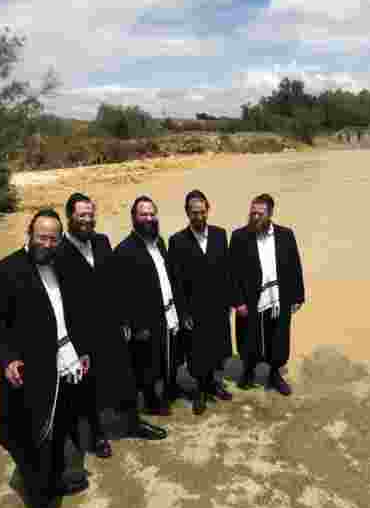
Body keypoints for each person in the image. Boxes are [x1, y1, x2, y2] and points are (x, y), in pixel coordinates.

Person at [0, 208, 91, 508]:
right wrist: (6, 358)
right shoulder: (4, 270)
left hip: (67, 365)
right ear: (29, 233)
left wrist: (82, 350)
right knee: (33, 442)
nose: (47, 243)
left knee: (60, 434)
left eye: (53, 237)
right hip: (30, 374)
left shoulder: (63, 265)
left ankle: (55, 483)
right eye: (41, 236)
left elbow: (76, 312)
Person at [55, 193, 167, 457]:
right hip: (82, 333)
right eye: (82, 215)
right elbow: (58, 301)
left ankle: (133, 423)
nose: (87, 220)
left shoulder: (102, 242)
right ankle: (96, 436)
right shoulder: (59, 252)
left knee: (124, 379)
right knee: (90, 387)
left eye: (91, 215)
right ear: (70, 217)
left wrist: (126, 319)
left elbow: (118, 284)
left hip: (112, 328)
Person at [107, 195, 189, 416]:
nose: (149, 218)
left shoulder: (159, 242)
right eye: (143, 214)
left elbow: (169, 277)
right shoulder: (124, 250)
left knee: (169, 355)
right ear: (134, 217)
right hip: (145, 322)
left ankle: (171, 390)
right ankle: (152, 401)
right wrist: (135, 326)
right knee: (147, 365)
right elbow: (121, 294)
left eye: (152, 214)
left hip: (168, 313)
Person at [228, 194, 305, 396]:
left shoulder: (286, 235)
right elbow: (232, 272)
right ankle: (249, 370)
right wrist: (237, 301)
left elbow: (295, 266)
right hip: (250, 299)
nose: (254, 217)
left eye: (259, 214)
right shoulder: (239, 236)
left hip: (279, 297)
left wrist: (298, 297)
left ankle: (274, 373)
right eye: (252, 212)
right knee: (248, 336)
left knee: (278, 337)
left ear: (270, 214)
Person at [168, 189, 235, 415]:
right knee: (197, 352)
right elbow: (176, 281)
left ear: (208, 210)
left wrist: (229, 303)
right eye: (193, 212)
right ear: (187, 213)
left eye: (202, 212)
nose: (198, 217)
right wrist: (183, 314)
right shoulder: (177, 241)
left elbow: (227, 271)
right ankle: (199, 391)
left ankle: (213, 384)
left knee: (217, 348)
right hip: (193, 309)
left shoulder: (220, 234)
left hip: (217, 306)